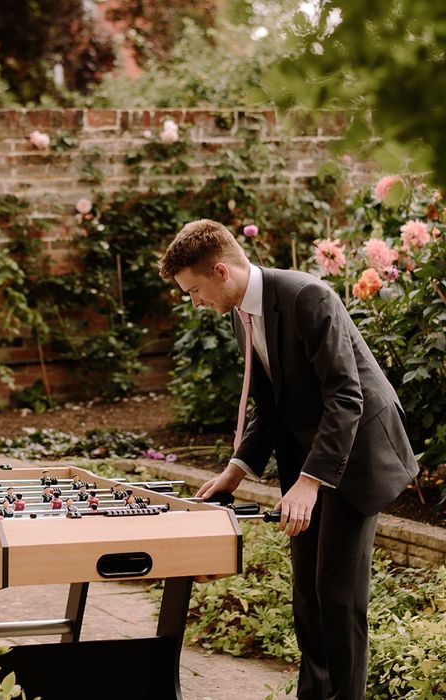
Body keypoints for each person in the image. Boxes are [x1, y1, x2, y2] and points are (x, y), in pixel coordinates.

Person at [159, 219, 418, 700]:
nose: (195, 303)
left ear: (220, 271)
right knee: (307, 595)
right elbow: (270, 405)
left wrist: (311, 481)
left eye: (194, 291)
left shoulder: (307, 296)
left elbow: (346, 396)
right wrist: (235, 471)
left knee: (337, 595)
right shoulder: (242, 312)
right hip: (310, 459)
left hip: (357, 453)